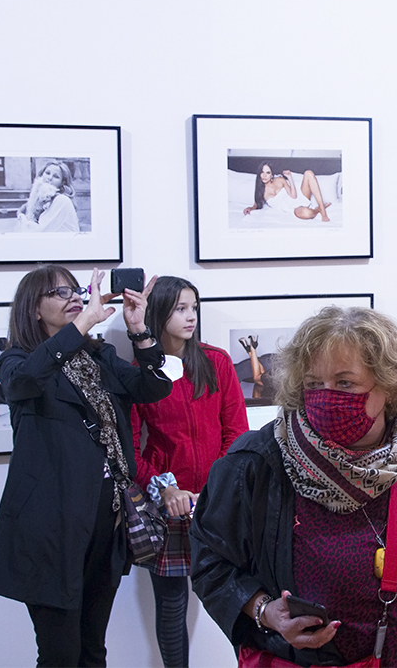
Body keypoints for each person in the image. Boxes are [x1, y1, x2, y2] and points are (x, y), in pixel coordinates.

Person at [190, 306, 397, 668]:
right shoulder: (258, 463)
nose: (327, 396)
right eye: (314, 384)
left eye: (345, 383)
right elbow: (210, 561)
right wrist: (265, 611)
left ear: (389, 385)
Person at [0, 265, 172, 667]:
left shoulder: (98, 355)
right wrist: (84, 321)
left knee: (92, 649)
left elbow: (152, 387)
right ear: (33, 308)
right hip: (50, 528)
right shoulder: (15, 361)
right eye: (59, 292)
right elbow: (24, 382)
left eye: (75, 290)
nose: (73, 298)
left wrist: (139, 329)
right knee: (60, 654)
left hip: (107, 519)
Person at [131, 276, 250, 668]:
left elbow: (237, 433)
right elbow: (130, 451)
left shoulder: (216, 362)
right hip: (169, 506)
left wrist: (216, 487)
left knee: (238, 597)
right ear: (158, 312)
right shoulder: (139, 373)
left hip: (218, 502)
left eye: (194, 308)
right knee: (171, 604)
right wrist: (165, 489)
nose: (191, 317)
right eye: (181, 309)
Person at [244, 161, 332, 221]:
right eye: (262, 172)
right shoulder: (261, 191)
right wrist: (250, 208)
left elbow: (294, 196)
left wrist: (290, 178)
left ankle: (323, 211)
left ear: (271, 174)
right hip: (293, 209)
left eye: (268, 172)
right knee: (307, 213)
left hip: (299, 198)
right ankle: (317, 209)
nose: (264, 175)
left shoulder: (280, 180)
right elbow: (256, 204)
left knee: (308, 173)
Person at [17, 161, 80, 233]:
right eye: (47, 173)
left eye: (56, 177)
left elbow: (41, 231)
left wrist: (23, 219)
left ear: (62, 182)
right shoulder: (38, 198)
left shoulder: (62, 200)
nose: (50, 178)